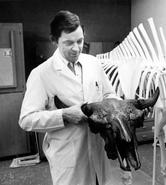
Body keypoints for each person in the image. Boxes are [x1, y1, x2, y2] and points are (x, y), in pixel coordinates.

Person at [19, 10, 119, 185]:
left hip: (99, 152)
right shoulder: (41, 74)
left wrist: (118, 107)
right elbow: (26, 119)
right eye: (68, 43)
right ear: (54, 40)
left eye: (80, 41)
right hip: (69, 160)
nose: (76, 48)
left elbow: (109, 94)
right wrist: (63, 115)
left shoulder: (93, 63)